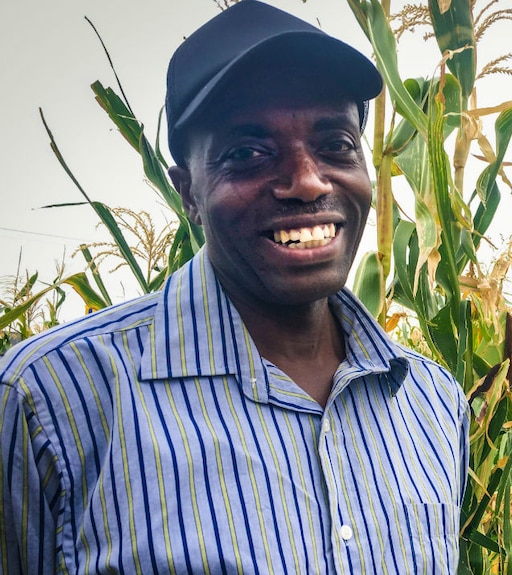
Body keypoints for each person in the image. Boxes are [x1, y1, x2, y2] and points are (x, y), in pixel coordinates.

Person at [0, 1, 469, 573]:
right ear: (187, 193)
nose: (307, 181)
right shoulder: (50, 401)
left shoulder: (433, 401)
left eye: (336, 145)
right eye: (248, 153)